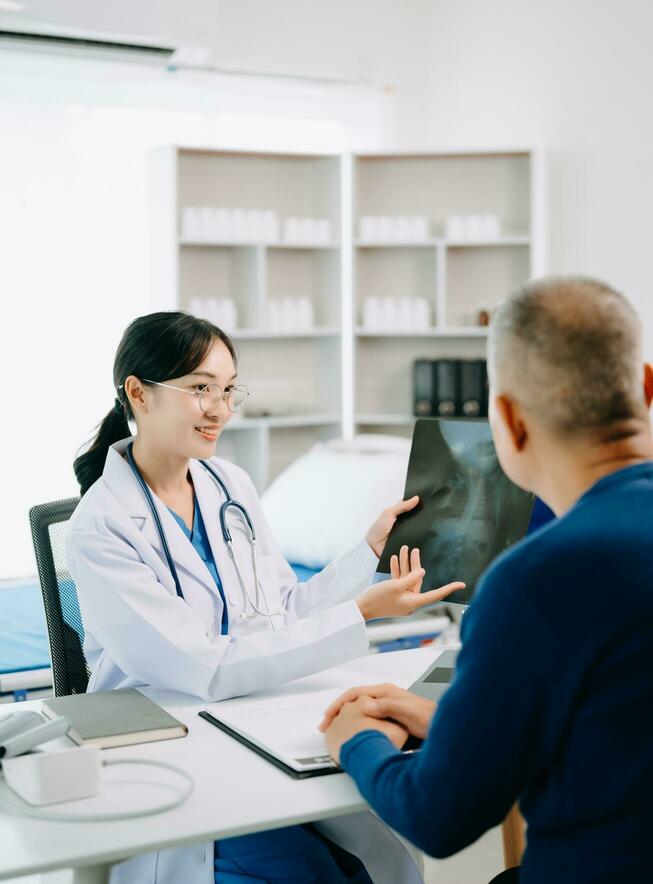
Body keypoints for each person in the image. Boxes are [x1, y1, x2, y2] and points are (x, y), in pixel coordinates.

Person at [67, 310, 464, 884]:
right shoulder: (100, 526)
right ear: (138, 394)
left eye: (228, 390)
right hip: (174, 747)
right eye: (200, 389)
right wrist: (360, 614)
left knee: (367, 861)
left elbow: (281, 614)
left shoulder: (230, 484)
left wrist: (367, 554)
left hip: (254, 719)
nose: (220, 410)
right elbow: (202, 666)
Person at [321, 276, 653, 883]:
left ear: (507, 419)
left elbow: (437, 816)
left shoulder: (534, 581)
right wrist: (453, 725)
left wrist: (354, 741)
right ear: (649, 386)